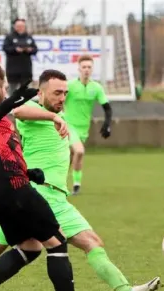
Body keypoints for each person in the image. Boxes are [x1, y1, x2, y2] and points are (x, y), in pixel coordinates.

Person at [0, 68, 161, 291]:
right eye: (57, 93)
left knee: (51, 245)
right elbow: (17, 110)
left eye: (65, 93)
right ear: (40, 93)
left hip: (54, 196)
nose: (62, 98)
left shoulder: (62, 117)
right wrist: (52, 118)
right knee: (0, 248)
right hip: (36, 195)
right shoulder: (34, 111)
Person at [0, 61, 95, 291]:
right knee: (56, 240)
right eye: (5, 89)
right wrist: (9, 103)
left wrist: (27, 173)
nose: (6, 94)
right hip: (11, 191)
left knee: (30, 247)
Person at [64, 55, 113, 195]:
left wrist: (107, 124)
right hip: (69, 126)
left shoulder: (96, 87)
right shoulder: (70, 86)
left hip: (83, 129)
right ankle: (74, 186)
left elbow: (107, 107)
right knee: (79, 151)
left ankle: (71, 184)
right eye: (84, 67)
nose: (86, 70)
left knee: (71, 156)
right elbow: (59, 101)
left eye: (89, 67)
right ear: (79, 68)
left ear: (92, 69)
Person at [2, 18, 38, 96]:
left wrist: (30, 50)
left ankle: (26, 107)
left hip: (26, 70)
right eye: (18, 26)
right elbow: (5, 48)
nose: (20, 27)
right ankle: (10, 107)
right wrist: (15, 49)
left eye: (22, 26)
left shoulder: (29, 37)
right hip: (13, 70)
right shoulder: (9, 37)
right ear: (15, 26)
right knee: (12, 92)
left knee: (26, 92)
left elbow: (35, 49)